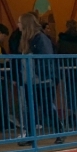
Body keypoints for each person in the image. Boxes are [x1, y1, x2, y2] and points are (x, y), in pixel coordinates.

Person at [17, 12, 59, 141]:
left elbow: (45, 58)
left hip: (42, 79)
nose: (17, 24)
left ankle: (59, 131)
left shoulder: (40, 38)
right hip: (30, 80)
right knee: (31, 109)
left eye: (19, 22)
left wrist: (43, 75)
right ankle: (31, 136)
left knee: (46, 107)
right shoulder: (28, 39)